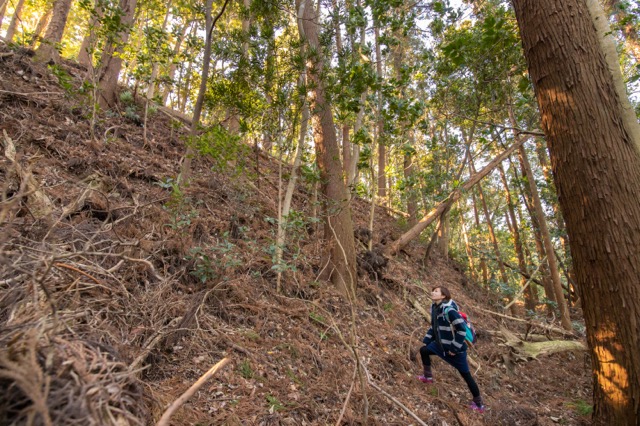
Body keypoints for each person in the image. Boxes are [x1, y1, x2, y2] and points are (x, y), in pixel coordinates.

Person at [418, 286, 485, 413]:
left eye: (436, 291)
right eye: (433, 290)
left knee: (466, 376)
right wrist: (427, 340)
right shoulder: (435, 308)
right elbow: (434, 327)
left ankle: (479, 404)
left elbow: (461, 330)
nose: (432, 292)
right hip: (441, 346)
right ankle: (428, 377)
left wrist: (454, 348)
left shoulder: (450, 311)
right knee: (424, 350)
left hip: (456, 351)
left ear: (443, 296)